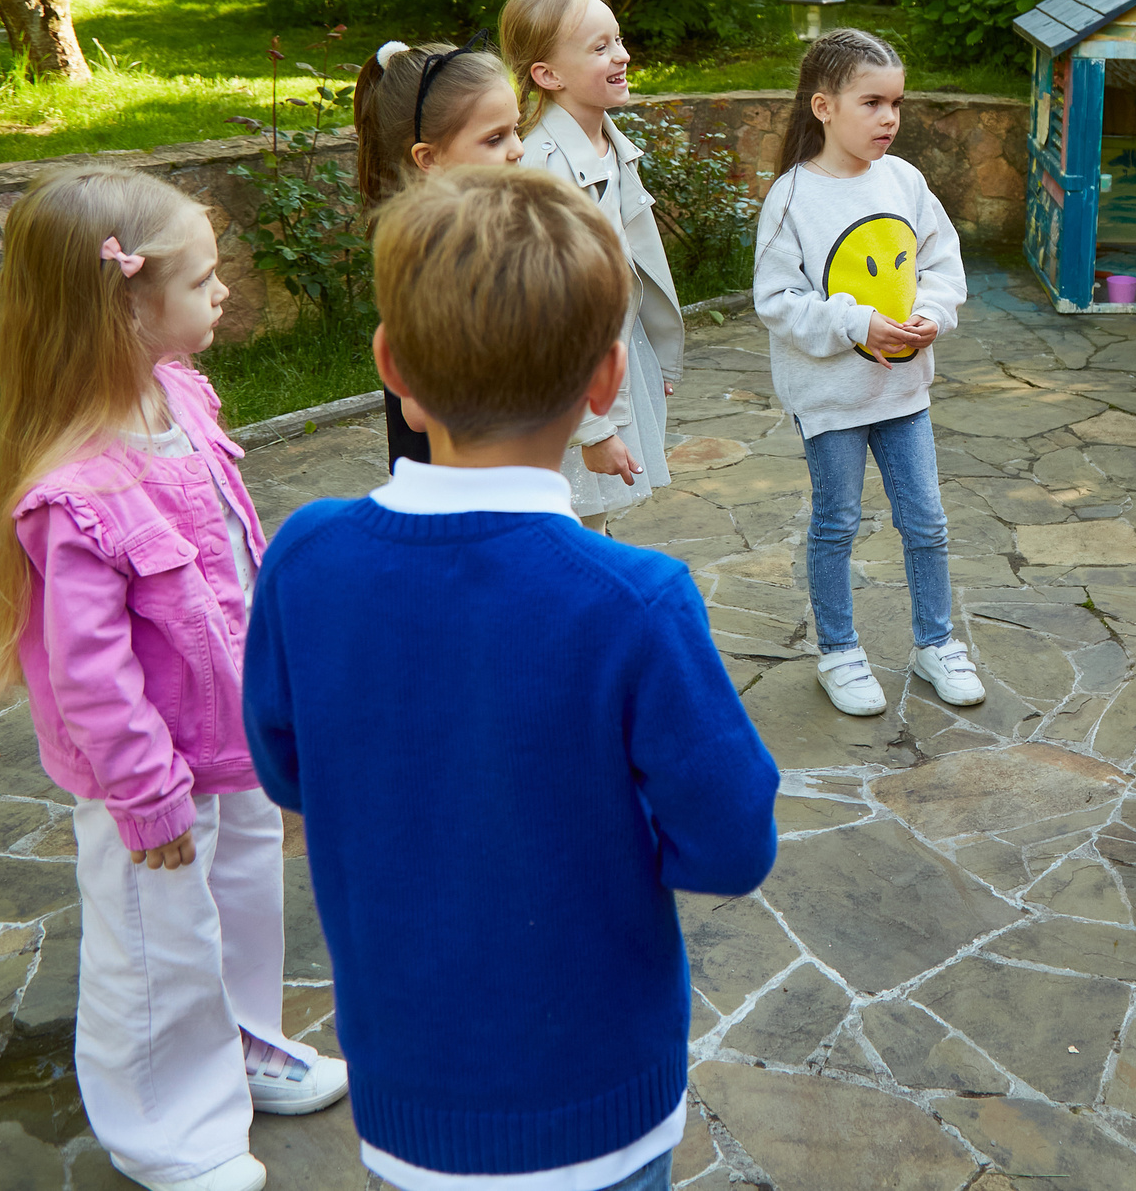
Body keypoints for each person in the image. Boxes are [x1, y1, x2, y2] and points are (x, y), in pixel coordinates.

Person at [243, 166, 779, 1191]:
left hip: (408, 1100)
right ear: (605, 381)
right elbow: (729, 843)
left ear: (389, 363)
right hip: (598, 1106)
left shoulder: (307, 556)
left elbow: (285, 767)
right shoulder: (634, 600)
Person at [0, 168, 347, 1191]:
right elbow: (90, 674)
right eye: (202, 278)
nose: (223, 291)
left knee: (243, 906)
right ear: (128, 305)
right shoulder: (76, 492)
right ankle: (167, 1129)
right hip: (150, 776)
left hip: (229, 738)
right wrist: (146, 796)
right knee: (156, 949)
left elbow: (233, 556)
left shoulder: (179, 394)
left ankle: (241, 1044)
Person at [752, 27, 982, 717]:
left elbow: (942, 262)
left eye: (897, 104)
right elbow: (777, 301)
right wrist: (855, 322)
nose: (889, 118)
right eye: (873, 102)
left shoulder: (905, 181)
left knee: (928, 522)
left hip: (904, 391)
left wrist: (934, 313)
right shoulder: (791, 198)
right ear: (823, 106)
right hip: (832, 400)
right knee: (837, 523)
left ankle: (934, 643)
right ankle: (839, 652)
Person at [500, 0, 685, 531]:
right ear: (547, 75)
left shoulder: (611, 147)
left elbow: (632, 268)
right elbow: (549, 316)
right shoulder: (538, 171)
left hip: (613, 366)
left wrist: (656, 350)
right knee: (567, 532)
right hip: (567, 393)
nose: (622, 56)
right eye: (600, 48)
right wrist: (595, 427)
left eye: (619, 40)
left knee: (595, 523)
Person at [351, 36, 526, 470]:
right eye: (494, 138)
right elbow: (419, 410)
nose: (517, 149)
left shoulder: (482, 231)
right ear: (428, 158)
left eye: (516, 129)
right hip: (453, 485)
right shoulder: (426, 258)